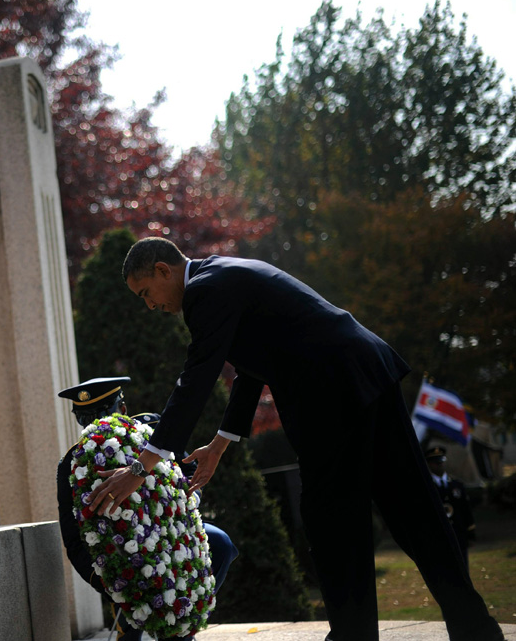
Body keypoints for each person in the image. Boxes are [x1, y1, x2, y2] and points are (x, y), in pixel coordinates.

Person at [88, 238, 502, 641]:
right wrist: (219, 444)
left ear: (163, 270)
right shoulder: (224, 273)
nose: (150, 306)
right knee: (414, 510)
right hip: (367, 372)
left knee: (331, 521)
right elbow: (253, 367)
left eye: (146, 292)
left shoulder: (203, 291)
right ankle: (477, 631)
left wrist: (141, 466)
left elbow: (195, 380)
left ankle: (353, 635)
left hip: (333, 393)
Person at [57, 376, 238, 641]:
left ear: (123, 409)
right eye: (87, 418)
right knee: (138, 604)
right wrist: (111, 584)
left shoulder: (151, 428)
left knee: (220, 543)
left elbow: (188, 471)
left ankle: (186, 623)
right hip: (126, 552)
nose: (97, 424)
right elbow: (74, 540)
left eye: (104, 413)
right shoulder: (73, 464)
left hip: (176, 532)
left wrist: (184, 501)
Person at [425, 445, 475, 569]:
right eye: (435, 463)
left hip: (459, 534)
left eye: (441, 462)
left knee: (463, 568)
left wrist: (471, 532)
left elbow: (465, 510)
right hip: (439, 538)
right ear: (429, 464)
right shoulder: (426, 488)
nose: (439, 465)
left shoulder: (456, 484)